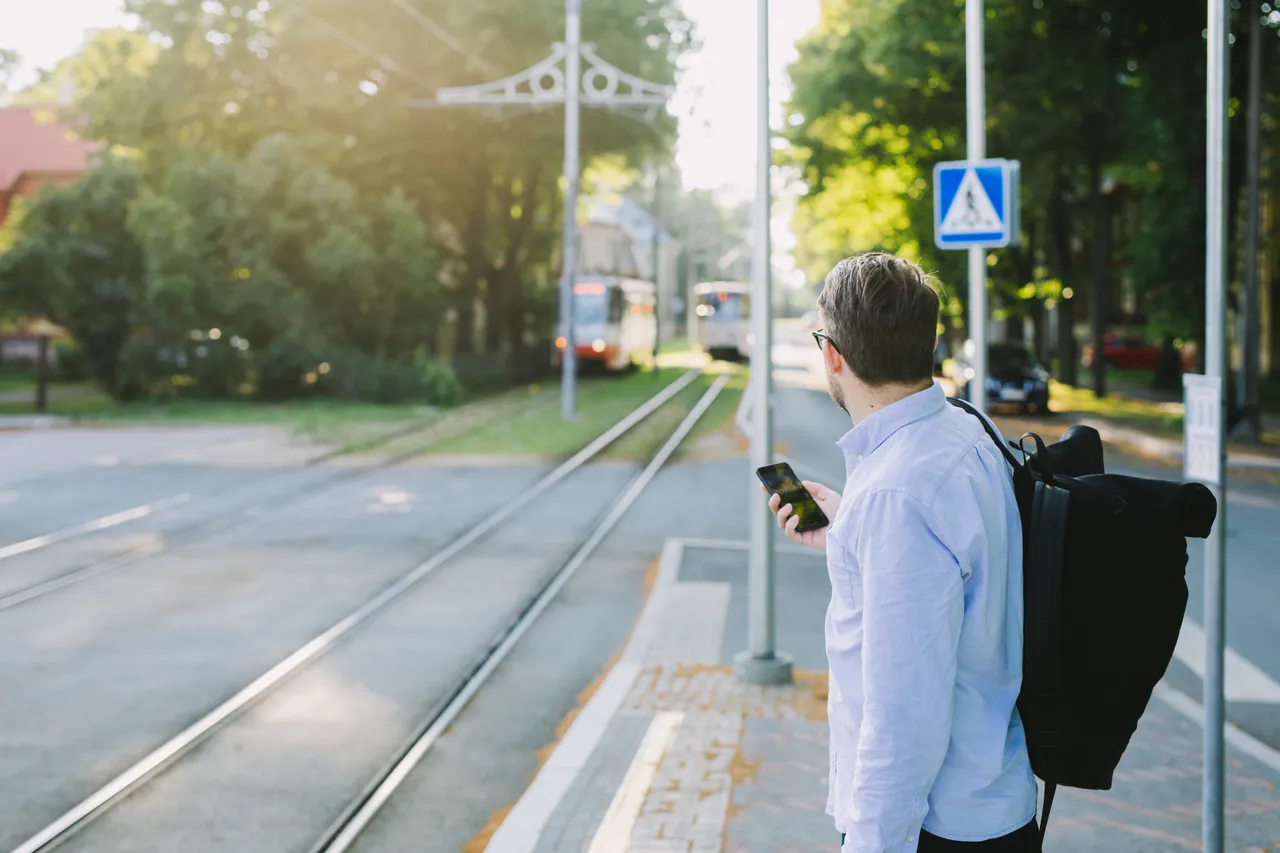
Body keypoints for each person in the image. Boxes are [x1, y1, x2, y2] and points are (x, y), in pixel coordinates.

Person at [768, 253, 1039, 852]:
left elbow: (902, 718)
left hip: (933, 829)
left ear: (832, 353)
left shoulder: (897, 492)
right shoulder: (963, 432)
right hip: (987, 802)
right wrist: (847, 528)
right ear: (932, 341)